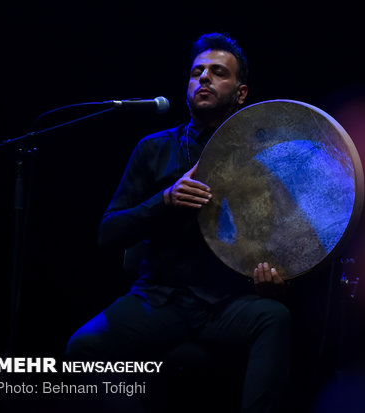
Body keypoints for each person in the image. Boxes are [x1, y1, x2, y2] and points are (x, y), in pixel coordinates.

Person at [65, 33, 291, 413]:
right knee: (82, 347)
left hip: (227, 304)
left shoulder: (261, 161)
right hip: (158, 298)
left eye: (218, 72)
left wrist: (273, 277)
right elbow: (108, 232)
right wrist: (164, 201)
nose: (203, 78)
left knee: (275, 318)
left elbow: (280, 242)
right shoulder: (154, 149)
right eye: (196, 72)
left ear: (240, 92)